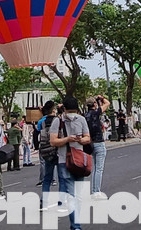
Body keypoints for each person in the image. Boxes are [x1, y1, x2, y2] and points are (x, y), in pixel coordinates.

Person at [50, 96, 89, 230]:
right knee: (72, 195)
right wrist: (67, 139)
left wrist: (80, 140)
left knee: (77, 196)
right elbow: (53, 141)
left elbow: (87, 138)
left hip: (78, 160)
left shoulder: (81, 119)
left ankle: (75, 224)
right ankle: (76, 225)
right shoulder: (58, 121)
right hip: (64, 160)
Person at [85, 96, 108, 198]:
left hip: (91, 143)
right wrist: (101, 98)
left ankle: (94, 190)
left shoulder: (85, 116)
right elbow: (107, 103)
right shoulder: (96, 112)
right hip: (99, 141)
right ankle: (97, 191)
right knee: (99, 169)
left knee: (95, 168)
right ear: (94, 104)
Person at [36, 101, 59, 196]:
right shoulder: (58, 120)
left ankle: (44, 198)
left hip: (46, 149)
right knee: (62, 176)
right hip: (57, 149)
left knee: (47, 176)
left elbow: (38, 131)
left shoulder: (41, 121)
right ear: (53, 110)